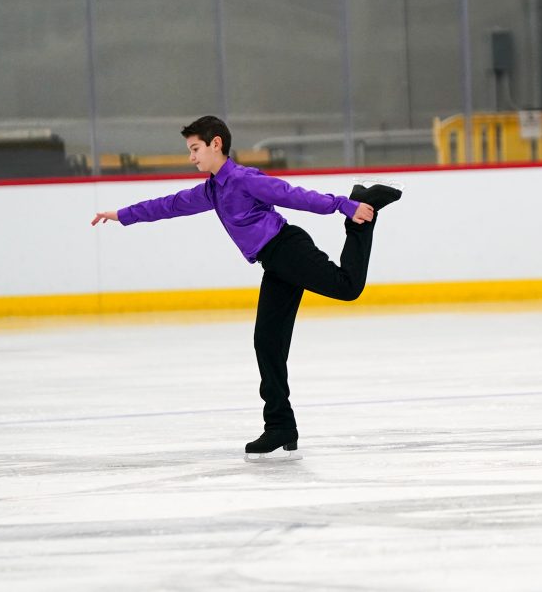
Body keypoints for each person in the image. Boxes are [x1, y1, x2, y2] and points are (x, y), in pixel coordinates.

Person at [92, 115, 401, 460]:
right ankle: (280, 426)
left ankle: (363, 215)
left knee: (347, 287)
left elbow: (292, 195)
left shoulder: (243, 179)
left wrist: (345, 204)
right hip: (275, 263)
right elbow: (170, 205)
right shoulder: (213, 189)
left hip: (288, 248)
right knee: (266, 342)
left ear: (216, 144)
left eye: (195, 149)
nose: (191, 157)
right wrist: (122, 214)